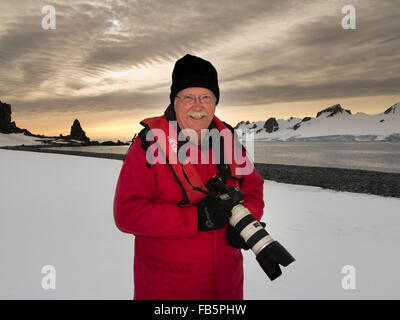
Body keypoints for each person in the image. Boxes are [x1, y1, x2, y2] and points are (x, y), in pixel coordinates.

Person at [113, 54, 264, 300]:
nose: (197, 106)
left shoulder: (229, 141)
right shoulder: (147, 145)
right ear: (175, 101)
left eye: (206, 97)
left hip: (227, 287)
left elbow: (254, 190)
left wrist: (246, 221)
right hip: (169, 289)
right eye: (188, 97)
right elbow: (127, 213)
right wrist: (195, 218)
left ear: (215, 102)